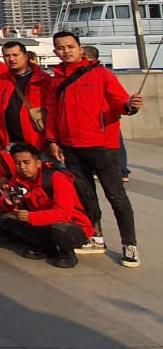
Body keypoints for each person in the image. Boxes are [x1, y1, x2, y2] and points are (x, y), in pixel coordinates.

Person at [44, 31, 141, 267]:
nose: (66, 51)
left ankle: (129, 244)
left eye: (70, 46)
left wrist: (130, 105)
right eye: (61, 48)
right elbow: (52, 112)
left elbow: (120, 102)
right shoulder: (56, 80)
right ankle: (95, 237)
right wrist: (52, 140)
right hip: (71, 146)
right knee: (86, 195)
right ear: (55, 51)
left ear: (80, 49)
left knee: (116, 196)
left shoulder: (101, 74)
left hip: (102, 146)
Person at [0, 143, 95, 268]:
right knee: (6, 219)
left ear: (38, 163)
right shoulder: (17, 179)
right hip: (43, 220)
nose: (22, 167)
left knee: (59, 229)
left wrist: (31, 217)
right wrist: (8, 203)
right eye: (17, 163)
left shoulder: (56, 178)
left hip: (73, 223)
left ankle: (66, 253)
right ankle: (45, 246)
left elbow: (63, 214)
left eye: (26, 162)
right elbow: (5, 200)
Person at [0, 40, 48, 148]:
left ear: (25, 56)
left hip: (38, 141)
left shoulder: (43, 79)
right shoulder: (0, 80)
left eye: (15, 55)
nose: (11, 59)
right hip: (9, 142)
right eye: (7, 56)